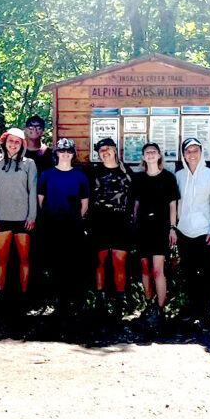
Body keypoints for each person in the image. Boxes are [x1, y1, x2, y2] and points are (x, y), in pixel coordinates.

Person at [37, 139, 90, 319]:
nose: (65, 154)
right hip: (52, 226)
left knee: (72, 266)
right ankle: (58, 303)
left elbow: (84, 204)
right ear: (56, 154)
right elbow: (41, 201)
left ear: (73, 154)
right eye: (62, 151)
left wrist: (76, 219)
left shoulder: (80, 176)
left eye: (69, 151)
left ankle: (73, 302)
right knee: (55, 265)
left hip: (73, 227)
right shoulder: (46, 175)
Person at [174, 137, 210, 329]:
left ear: (202, 153)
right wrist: (174, 228)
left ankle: (205, 314)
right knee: (188, 274)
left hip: (204, 232)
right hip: (184, 232)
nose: (191, 154)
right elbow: (174, 206)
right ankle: (190, 312)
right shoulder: (178, 176)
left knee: (205, 275)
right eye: (188, 151)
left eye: (195, 150)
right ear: (183, 154)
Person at [0, 127, 38, 304]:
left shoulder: (29, 164)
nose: (13, 145)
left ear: (22, 144)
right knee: (2, 259)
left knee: (24, 259)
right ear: (4, 142)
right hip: (2, 217)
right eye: (10, 141)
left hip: (23, 218)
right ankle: (0, 293)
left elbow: (32, 192)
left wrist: (32, 216)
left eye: (17, 142)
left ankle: (24, 294)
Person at [131, 142, 178, 323]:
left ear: (159, 156)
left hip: (161, 228)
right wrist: (134, 227)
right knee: (145, 269)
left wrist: (172, 228)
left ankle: (160, 308)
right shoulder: (138, 179)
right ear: (143, 157)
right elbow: (136, 205)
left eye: (153, 152)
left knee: (158, 270)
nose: (150, 155)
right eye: (147, 152)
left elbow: (173, 205)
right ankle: (149, 305)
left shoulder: (168, 178)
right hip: (143, 228)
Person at [88, 137, 134, 320]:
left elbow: (133, 199)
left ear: (115, 150)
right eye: (101, 150)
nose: (105, 152)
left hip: (121, 223)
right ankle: (101, 300)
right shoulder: (93, 172)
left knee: (118, 263)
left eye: (108, 148)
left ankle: (119, 303)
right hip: (99, 222)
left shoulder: (126, 171)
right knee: (99, 262)